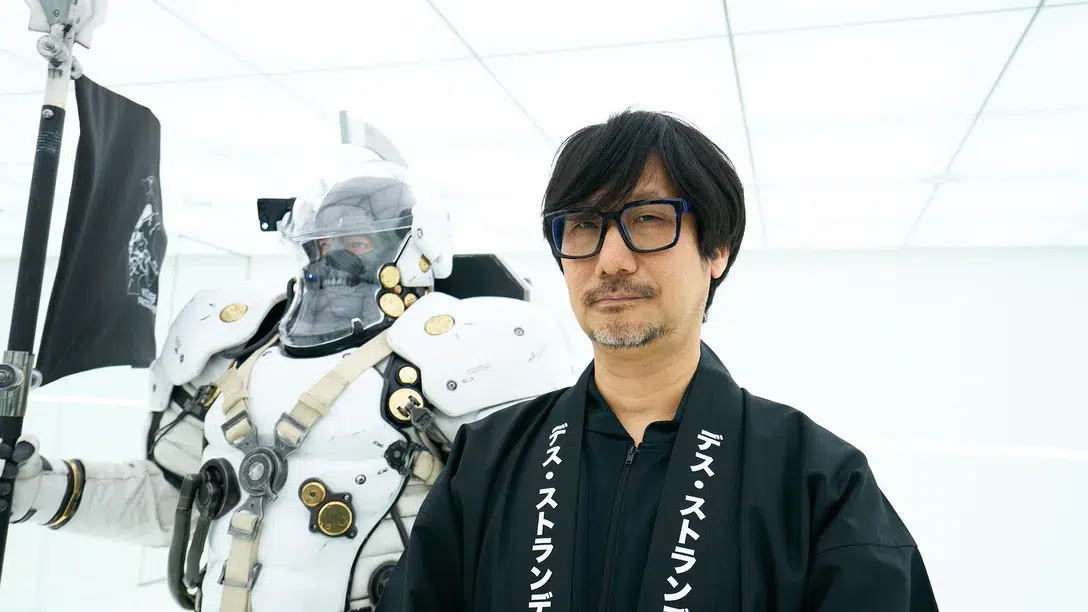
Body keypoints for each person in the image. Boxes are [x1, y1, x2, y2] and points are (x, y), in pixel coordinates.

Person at [375, 109, 941, 611]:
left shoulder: (816, 482)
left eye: (647, 219)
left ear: (716, 251)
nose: (611, 260)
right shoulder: (488, 460)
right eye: (584, 226)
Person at [3, 159, 575, 612]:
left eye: (359, 242)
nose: (334, 258)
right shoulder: (232, 352)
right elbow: (172, 501)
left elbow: (533, 538)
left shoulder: (461, 353)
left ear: (413, 251)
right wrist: (37, 491)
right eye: (323, 242)